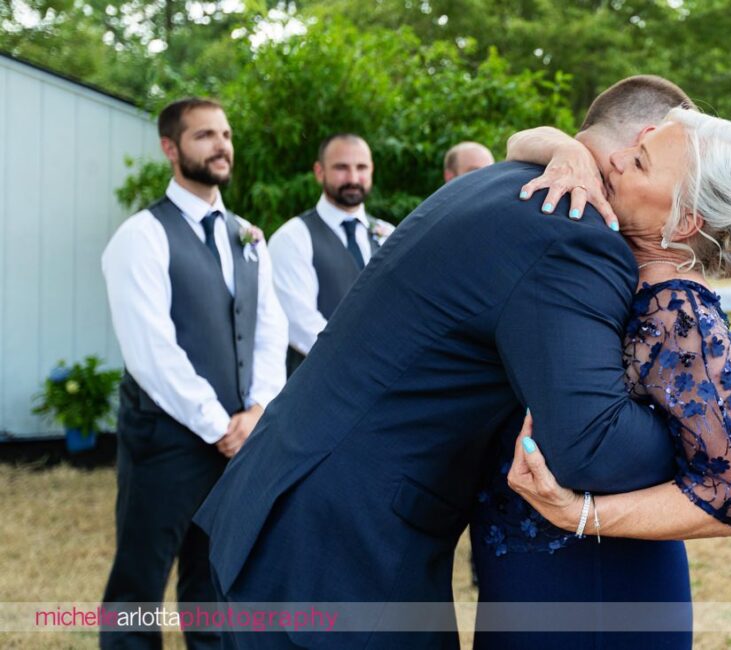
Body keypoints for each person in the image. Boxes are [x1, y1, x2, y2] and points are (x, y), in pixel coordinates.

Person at [192, 77, 691, 650]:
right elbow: (593, 447)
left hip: (287, 505)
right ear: (648, 141)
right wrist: (704, 431)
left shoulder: (498, 184)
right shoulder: (571, 226)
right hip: (341, 553)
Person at [470, 93, 731, 649]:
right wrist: (567, 149)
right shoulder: (609, 263)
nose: (615, 160)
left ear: (683, 218)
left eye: (640, 162)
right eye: (633, 148)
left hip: (601, 592)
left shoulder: (680, 317)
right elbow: (520, 143)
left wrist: (582, 514)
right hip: (519, 569)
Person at [99, 97, 288, 649]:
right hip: (166, 441)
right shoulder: (140, 236)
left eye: (225, 134)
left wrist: (256, 414)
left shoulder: (249, 235)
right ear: (170, 148)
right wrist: (218, 425)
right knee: (139, 584)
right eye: (204, 135)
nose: (221, 145)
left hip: (240, 439)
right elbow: (150, 350)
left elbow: (268, 333)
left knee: (215, 580)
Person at [267, 134, 395, 375]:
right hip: (318, 383)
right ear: (319, 171)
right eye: (341, 168)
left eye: (361, 168)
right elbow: (299, 323)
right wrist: (363, 361)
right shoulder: (292, 237)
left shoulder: (390, 234)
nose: (353, 178)